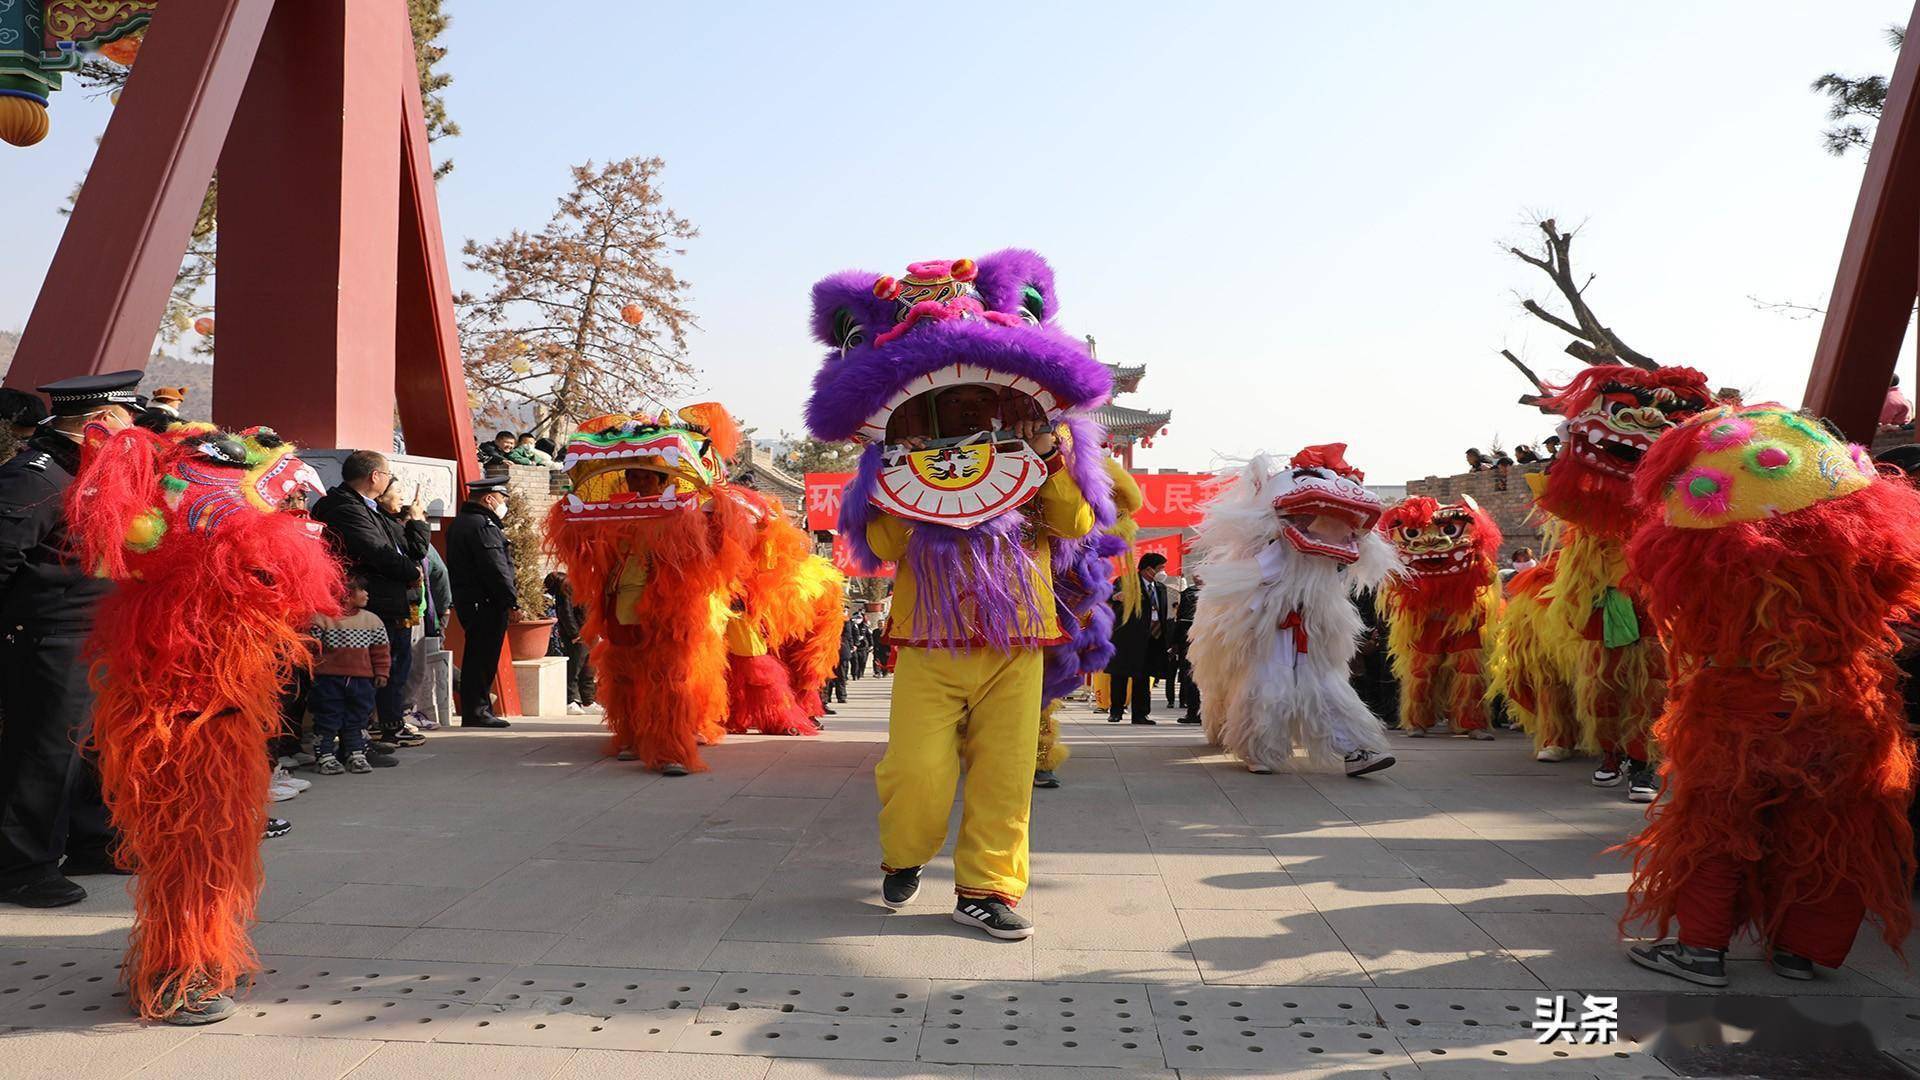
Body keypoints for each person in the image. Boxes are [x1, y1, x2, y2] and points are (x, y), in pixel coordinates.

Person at [805, 251, 1109, 941]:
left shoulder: (1041, 451)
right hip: (928, 639)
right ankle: (905, 853)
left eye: (983, 403)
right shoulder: (897, 460)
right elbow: (880, 547)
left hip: (1017, 639)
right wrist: (891, 480)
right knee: (916, 771)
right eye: (956, 404)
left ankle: (988, 887)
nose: (972, 413)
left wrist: (1052, 458)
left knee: (1006, 777)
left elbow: (1075, 524)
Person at [1621, 405, 1920, 986]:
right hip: (1843, 701)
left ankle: (1701, 951)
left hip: (1742, 699)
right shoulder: (1863, 546)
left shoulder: (1708, 557)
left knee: (1717, 824)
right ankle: (1801, 952)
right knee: (1833, 829)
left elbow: (1680, 615)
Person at [0, 372, 143, 908]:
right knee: (45, 754)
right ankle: (21, 866)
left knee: (95, 751)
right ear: (103, 421)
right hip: (49, 635)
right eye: (129, 420)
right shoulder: (35, 477)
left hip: (93, 630)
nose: (135, 433)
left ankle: (92, 841)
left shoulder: (82, 469)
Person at [1187, 445, 1398, 777]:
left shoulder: (1331, 560)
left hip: (1313, 635)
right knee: (1266, 686)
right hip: (1272, 635)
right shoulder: (1276, 551)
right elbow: (1240, 582)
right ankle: (1257, 749)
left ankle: (1357, 750)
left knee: (1329, 688)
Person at [311, 451, 428, 748]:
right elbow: (375, 550)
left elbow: (408, 548)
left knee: (389, 669)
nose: (390, 483)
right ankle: (357, 737)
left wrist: (417, 523)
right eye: (388, 475)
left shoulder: (370, 509)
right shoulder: (343, 507)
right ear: (375, 476)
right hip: (368, 602)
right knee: (363, 676)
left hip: (388, 602)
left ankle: (377, 730)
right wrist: (410, 572)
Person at [445, 476, 516, 728]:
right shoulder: (481, 525)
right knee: (482, 658)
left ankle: (478, 708)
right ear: (489, 499)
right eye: (502, 500)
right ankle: (477, 711)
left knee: (480, 655)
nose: (503, 505)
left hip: (473, 601)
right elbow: (495, 567)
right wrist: (511, 600)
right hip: (486, 601)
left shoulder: (464, 522)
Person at [307, 575, 391, 775]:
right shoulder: (321, 619)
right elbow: (310, 648)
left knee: (358, 717)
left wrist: (382, 672)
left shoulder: (372, 620)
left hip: (361, 681)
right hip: (328, 679)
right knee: (328, 717)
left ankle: (355, 753)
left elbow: (381, 651)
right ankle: (325, 756)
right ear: (345, 596)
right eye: (362, 590)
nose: (367, 594)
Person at [1106, 552, 1171, 724]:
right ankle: (1116, 711)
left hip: (1152, 638)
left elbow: (1162, 613)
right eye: (1161, 568)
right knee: (1120, 675)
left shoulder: (1160, 588)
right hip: (1128, 637)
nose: (1163, 571)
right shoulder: (1127, 581)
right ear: (1149, 569)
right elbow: (1109, 596)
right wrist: (1115, 597)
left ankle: (1141, 714)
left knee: (1143, 677)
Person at [546, 570, 597, 715]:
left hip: (589, 632)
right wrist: (574, 633)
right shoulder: (567, 586)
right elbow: (565, 612)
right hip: (578, 634)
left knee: (589, 668)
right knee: (575, 668)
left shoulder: (586, 584)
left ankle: (587, 700)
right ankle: (571, 701)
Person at [1174, 574, 1202, 723]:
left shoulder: (1189, 594)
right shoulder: (1189, 593)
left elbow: (1181, 620)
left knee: (1192, 677)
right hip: (1192, 642)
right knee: (1191, 677)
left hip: (1197, 641)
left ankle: (1195, 712)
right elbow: (1180, 619)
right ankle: (1194, 712)